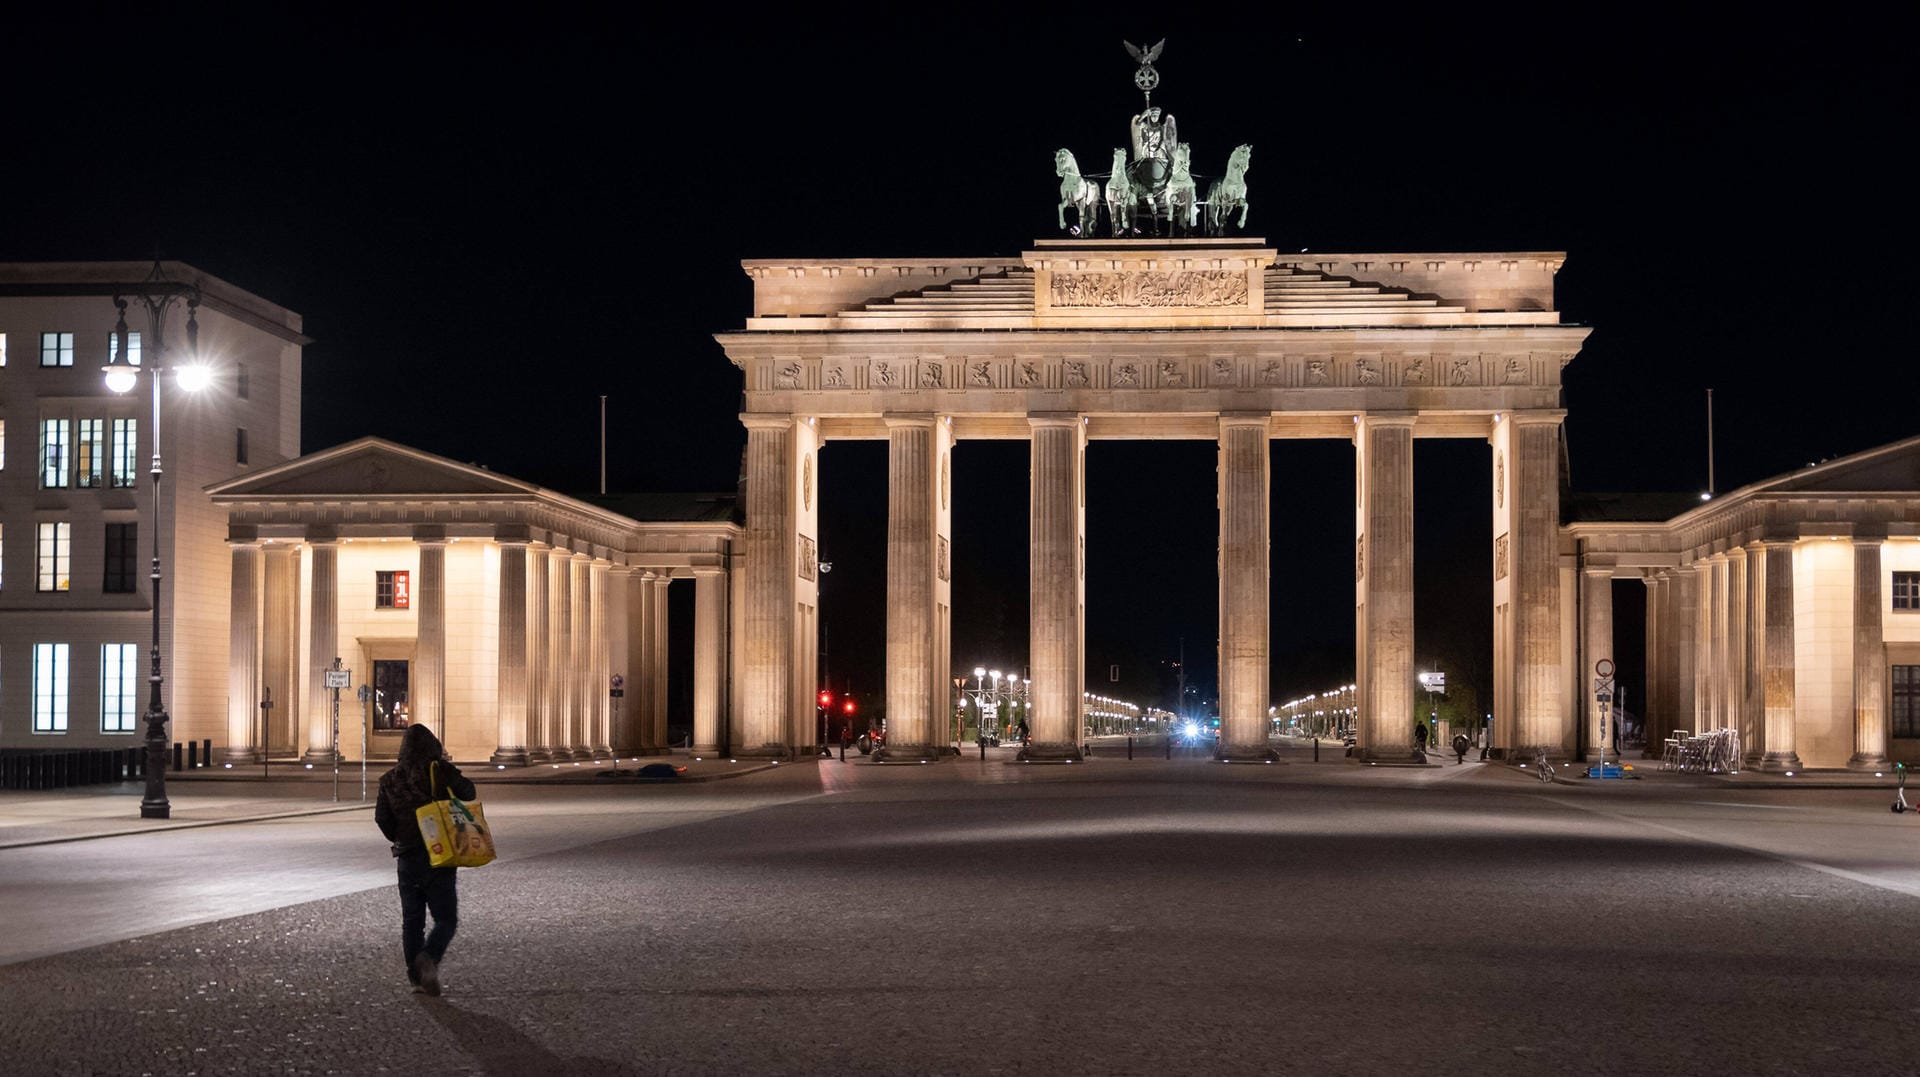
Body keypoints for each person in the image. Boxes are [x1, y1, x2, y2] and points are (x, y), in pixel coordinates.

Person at [374, 724, 476, 996]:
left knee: (412, 921)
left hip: (406, 856)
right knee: (446, 918)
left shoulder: (390, 779)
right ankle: (429, 957)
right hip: (438, 852)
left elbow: (381, 819)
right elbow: (469, 792)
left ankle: (416, 980)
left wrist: (400, 837)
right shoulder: (438, 770)